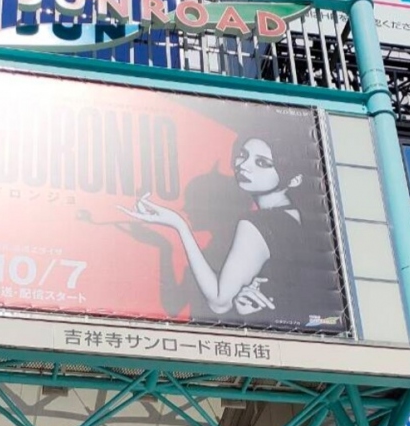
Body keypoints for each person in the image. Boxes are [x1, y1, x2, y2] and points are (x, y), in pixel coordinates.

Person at [119, 130, 344, 330]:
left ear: (294, 180)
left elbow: (219, 301)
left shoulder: (257, 225)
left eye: (262, 163)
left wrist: (179, 225)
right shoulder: (296, 217)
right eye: (243, 155)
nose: (243, 165)